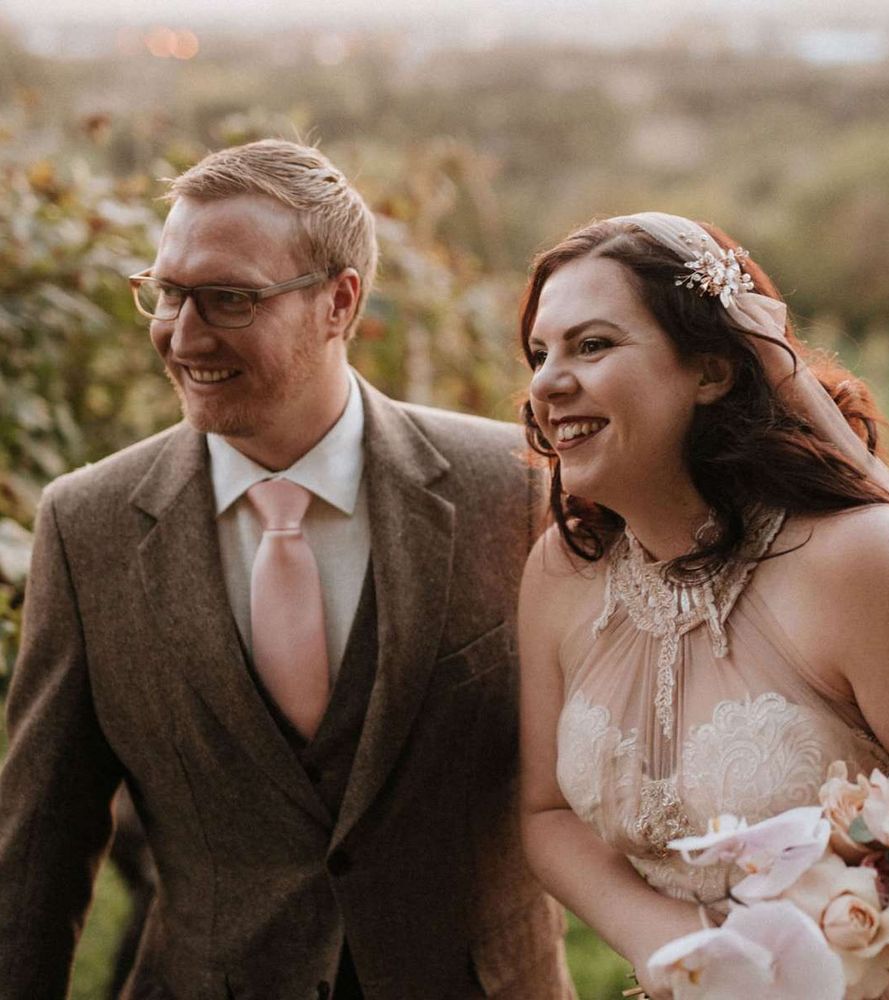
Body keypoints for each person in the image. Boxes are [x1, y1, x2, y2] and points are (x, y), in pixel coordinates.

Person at [0, 140, 575, 1000]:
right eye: (166, 294)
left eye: (229, 299)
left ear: (339, 302)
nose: (183, 335)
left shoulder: (517, 489)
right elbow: (41, 842)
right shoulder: (88, 526)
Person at [516, 212, 889, 998]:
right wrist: (672, 945)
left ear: (712, 371)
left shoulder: (861, 564)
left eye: (593, 345)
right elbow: (545, 815)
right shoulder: (563, 571)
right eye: (542, 353)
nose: (546, 382)